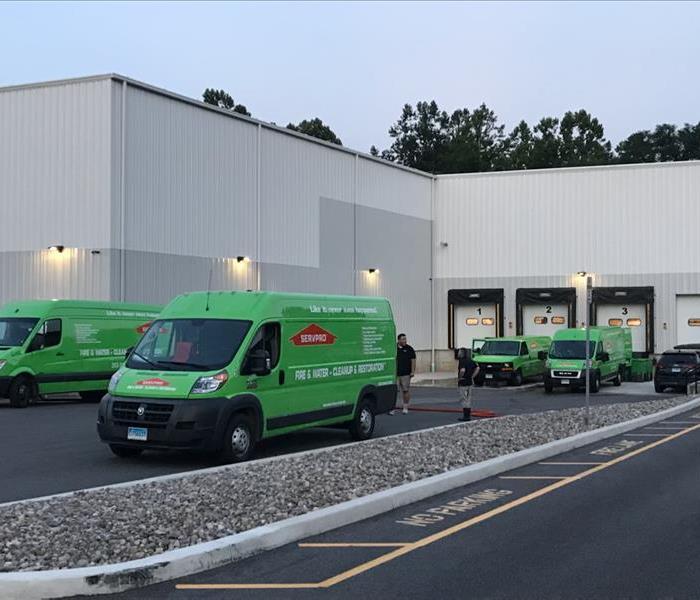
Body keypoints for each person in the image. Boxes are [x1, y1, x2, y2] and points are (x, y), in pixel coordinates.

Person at [391, 333, 416, 415]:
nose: (405, 340)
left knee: (405, 390)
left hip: (406, 374)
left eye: (405, 339)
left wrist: (412, 371)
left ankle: (405, 407)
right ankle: (392, 408)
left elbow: (413, 360)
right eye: (403, 339)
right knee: (394, 391)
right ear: (398, 340)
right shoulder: (393, 348)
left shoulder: (409, 349)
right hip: (395, 374)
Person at [457, 347, 479, 422]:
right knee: (468, 399)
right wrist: (472, 376)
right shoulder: (471, 360)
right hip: (469, 382)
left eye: (459, 352)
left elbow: (462, 370)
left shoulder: (462, 361)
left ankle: (466, 416)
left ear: (462, 353)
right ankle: (468, 415)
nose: (458, 353)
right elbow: (477, 368)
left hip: (463, 382)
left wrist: (460, 377)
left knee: (464, 399)